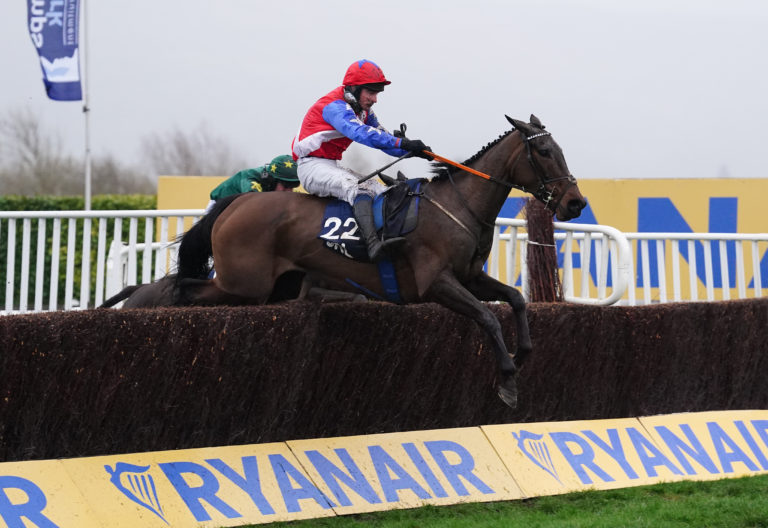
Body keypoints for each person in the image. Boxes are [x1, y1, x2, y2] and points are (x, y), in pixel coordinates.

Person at [291, 59, 433, 262]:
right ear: (355, 89)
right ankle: (373, 246)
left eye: (377, 93)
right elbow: (360, 134)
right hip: (311, 167)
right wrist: (402, 144)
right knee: (360, 190)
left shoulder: (362, 110)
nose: (375, 99)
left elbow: (383, 139)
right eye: (371, 92)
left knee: (382, 191)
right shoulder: (334, 107)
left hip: (330, 165)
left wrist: (411, 150)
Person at [204, 154, 300, 212]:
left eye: (292, 186)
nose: (289, 191)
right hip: (217, 208)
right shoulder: (250, 179)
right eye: (286, 185)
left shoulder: (274, 182)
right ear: (273, 180)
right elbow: (254, 203)